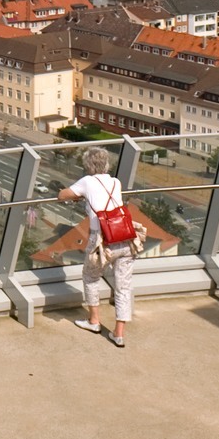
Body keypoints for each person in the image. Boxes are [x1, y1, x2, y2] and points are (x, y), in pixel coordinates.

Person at [59, 147, 142, 349]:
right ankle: (119, 334)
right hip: (124, 237)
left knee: (90, 276)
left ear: (88, 165)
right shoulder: (116, 182)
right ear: (107, 164)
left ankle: (94, 320)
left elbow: (62, 195)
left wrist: (80, 196)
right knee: (123, 286)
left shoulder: (87, 182)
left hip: (102, 241)